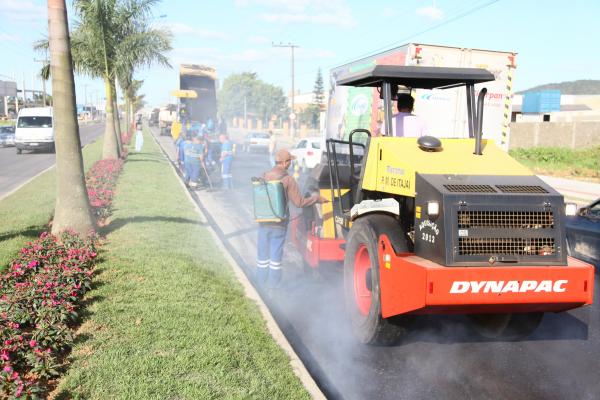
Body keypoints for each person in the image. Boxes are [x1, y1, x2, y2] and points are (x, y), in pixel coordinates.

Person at [256, 149, 328, 289]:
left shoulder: (264, 176)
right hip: (279, 225)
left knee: (262, 256)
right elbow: (299, 203)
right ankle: (272, 288)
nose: (290, 164)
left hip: (263, 223)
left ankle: (260, 285)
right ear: (284, 163)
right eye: (289, 161)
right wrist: (317, 199)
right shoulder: (288, 179)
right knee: (275, 257)